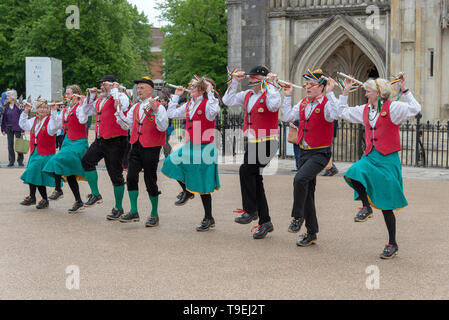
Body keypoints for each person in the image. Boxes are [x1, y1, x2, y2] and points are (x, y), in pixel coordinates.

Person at [338, 75, 421, 259]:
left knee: (386, 205)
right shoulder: (365, 109)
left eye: (368, 92)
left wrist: (405, 90)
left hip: (388, 159)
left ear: (377, 93)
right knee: (353, 172)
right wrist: (344, 92)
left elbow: (415, 109)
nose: (366, 95)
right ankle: (366, 207)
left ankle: (392, 243)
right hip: (371, 156)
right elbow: (342, 112)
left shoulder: (394, 108)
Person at [281, 69, 339, 245]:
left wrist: (331, 93)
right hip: (304, 151)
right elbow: (286, 116)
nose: (307, 87)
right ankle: (311, 232)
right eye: (306, 84)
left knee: (300, 179)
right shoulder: (303, 103)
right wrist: (288, 96)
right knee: (308, 192)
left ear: (321, 87)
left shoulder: (327, 103)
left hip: (320, 152)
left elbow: (335, 115)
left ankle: (297, 217)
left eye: (311, 84)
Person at [222, 66, 281, 239]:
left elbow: (274, 105)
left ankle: (250, 210)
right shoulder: (247, 95)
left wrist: (271, 84)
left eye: (254, 78)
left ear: (262, 79)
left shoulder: (271, 93)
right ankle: (265, 221)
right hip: (253, 142)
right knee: (255, 180)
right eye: (250, 78)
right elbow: (227, 100)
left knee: (246, 170)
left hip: (268, 141)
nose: (251, 81)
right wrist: (234, 81)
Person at [161, 76, 220, 232]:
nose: (190, 88)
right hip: (191, 145)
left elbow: (215, 111)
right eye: (191, 86)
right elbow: (171, 113)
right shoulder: (189, 105)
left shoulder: (208, 104)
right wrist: (176, 95)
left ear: (201, 90)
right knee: (170, 162)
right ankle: (187, 191)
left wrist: (210, 92)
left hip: (206, 146)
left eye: (193, 86)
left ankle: (209, 217)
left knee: (202, 184)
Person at [114, 76, 168, 225]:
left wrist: (156, 110)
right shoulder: (136, 107)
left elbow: (163, 126)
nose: (139, 90)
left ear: (150, 90)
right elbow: (127, 124)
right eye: (138, 88)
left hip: (151, 147)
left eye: (142, 88)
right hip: (136, 145)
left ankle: (154, 214)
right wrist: (118, 110)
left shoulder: (159, 106)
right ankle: (133, 211)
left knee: (150, 180)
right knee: (131, 177)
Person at [80, 75, 130, 218]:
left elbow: (122, 105)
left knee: (115, 174)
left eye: (105, 84)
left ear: (113, 84)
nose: (102, 87)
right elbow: (86, 111)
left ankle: (118, 208)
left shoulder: (121, 95)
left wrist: (114, 90)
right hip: (101, 139)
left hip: (116, 140)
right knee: (86, 161)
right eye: (101, 84)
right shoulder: (101, 99)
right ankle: (95, 194)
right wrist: (90, 96)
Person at [43, 85, 90, 213]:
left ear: (75, 95)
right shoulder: (66, 110)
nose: (66, 96)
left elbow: (82, 121)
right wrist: (53, 110)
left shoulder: (80, 107)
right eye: (66, 94)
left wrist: (82, 105)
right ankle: (78, 201)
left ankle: (58, 189)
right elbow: (57, 125)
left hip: (79, 142)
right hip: (67, 142)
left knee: (56, 160)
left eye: (68, 94)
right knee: (69, 173)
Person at [18, 99, 61, 209]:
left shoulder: (51, 120)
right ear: (36, 109)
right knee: (37, 176)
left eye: (45, 108)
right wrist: (26, 111)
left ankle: (33, 197)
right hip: (35, 152)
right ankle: (44, 199)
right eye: (40, 107)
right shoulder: (33, 120)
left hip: (45, 153)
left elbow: (56, 126)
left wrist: (54, 111)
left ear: (48, 110)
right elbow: (22, 124)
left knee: (32, 172)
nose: (42, 109)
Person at [1, 89, 25, 167]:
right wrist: (3, 129)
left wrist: (22, 129)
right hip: (8, 127)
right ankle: (11, 161)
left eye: (8, 96)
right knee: (10, 145)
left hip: (18, 127)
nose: (7, 97)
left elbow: (22, 118)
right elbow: (4, 118)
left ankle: (20, 161)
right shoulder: (6, 106)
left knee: (19, 144)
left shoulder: (18, 107)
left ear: (12, 97)